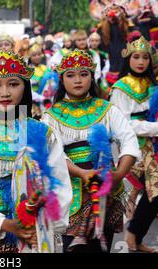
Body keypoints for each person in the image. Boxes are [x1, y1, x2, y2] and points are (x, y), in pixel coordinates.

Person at [0, 50, 72, 253]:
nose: (5, 93)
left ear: (24, 87)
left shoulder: (43, 133)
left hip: (36, 232)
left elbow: (60, 186)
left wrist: (42, 223)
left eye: (14, 84)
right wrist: (7, 225)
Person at [43, 49, 139, 252]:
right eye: (71, 75)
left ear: (92, 77)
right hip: (70, 191)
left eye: (84, 74)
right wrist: (81, 173)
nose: (78, 80)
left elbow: (129, 140)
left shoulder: (107, 109)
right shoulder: (51, 116)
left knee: (101, 248)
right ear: (62, 79)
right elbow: (54, 154)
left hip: (106, 188)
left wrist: (119, 174)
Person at [110, 35, 158, 253]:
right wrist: (156, 127)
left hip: (153, 145)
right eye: (136, 57)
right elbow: (123, 124)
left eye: (145, 57)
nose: (141, 61)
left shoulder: (152, 84)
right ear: (128, 60)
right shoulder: (120, 87)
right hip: (131, 148)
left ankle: (135, 234)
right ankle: (133, 234)